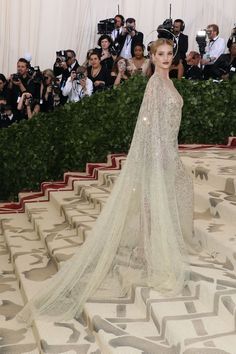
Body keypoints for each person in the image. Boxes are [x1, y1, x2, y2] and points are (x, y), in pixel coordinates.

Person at [17, 38, 200, 325]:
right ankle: (150, 253)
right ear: (152, 57)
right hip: (159, 153)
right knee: (153, 202)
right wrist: (159, 157)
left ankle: (154, 248)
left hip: (169, 151)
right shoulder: (154, 84)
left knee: (172, 194)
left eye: (168, 54)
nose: (165, 58)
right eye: (160, 54)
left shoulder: (170, 83)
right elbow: (148, 125)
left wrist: (170, 154)